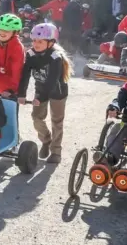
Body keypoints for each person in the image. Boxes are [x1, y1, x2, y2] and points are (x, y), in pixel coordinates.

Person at [17, 23, 73, 164]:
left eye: (40, 41)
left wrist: (40, 98)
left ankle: (56, 152)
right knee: (36, 117)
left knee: (56, 121)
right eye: (34, 40)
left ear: (50, 43)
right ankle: (46, 140)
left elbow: (52, 81)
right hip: (41, 89)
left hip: (57, 92)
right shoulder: (30, 54)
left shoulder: (56, 57)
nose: (36, 44)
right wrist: (21, 94)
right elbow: (25, 75)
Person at [0, 14, 25, 99]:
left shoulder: (17, 47)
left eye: (7, 30)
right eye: (0, 29)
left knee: (9, 111)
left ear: (15, 32)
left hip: (11, 88)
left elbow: (17, 71)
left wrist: (12, 90)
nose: (2, 32)